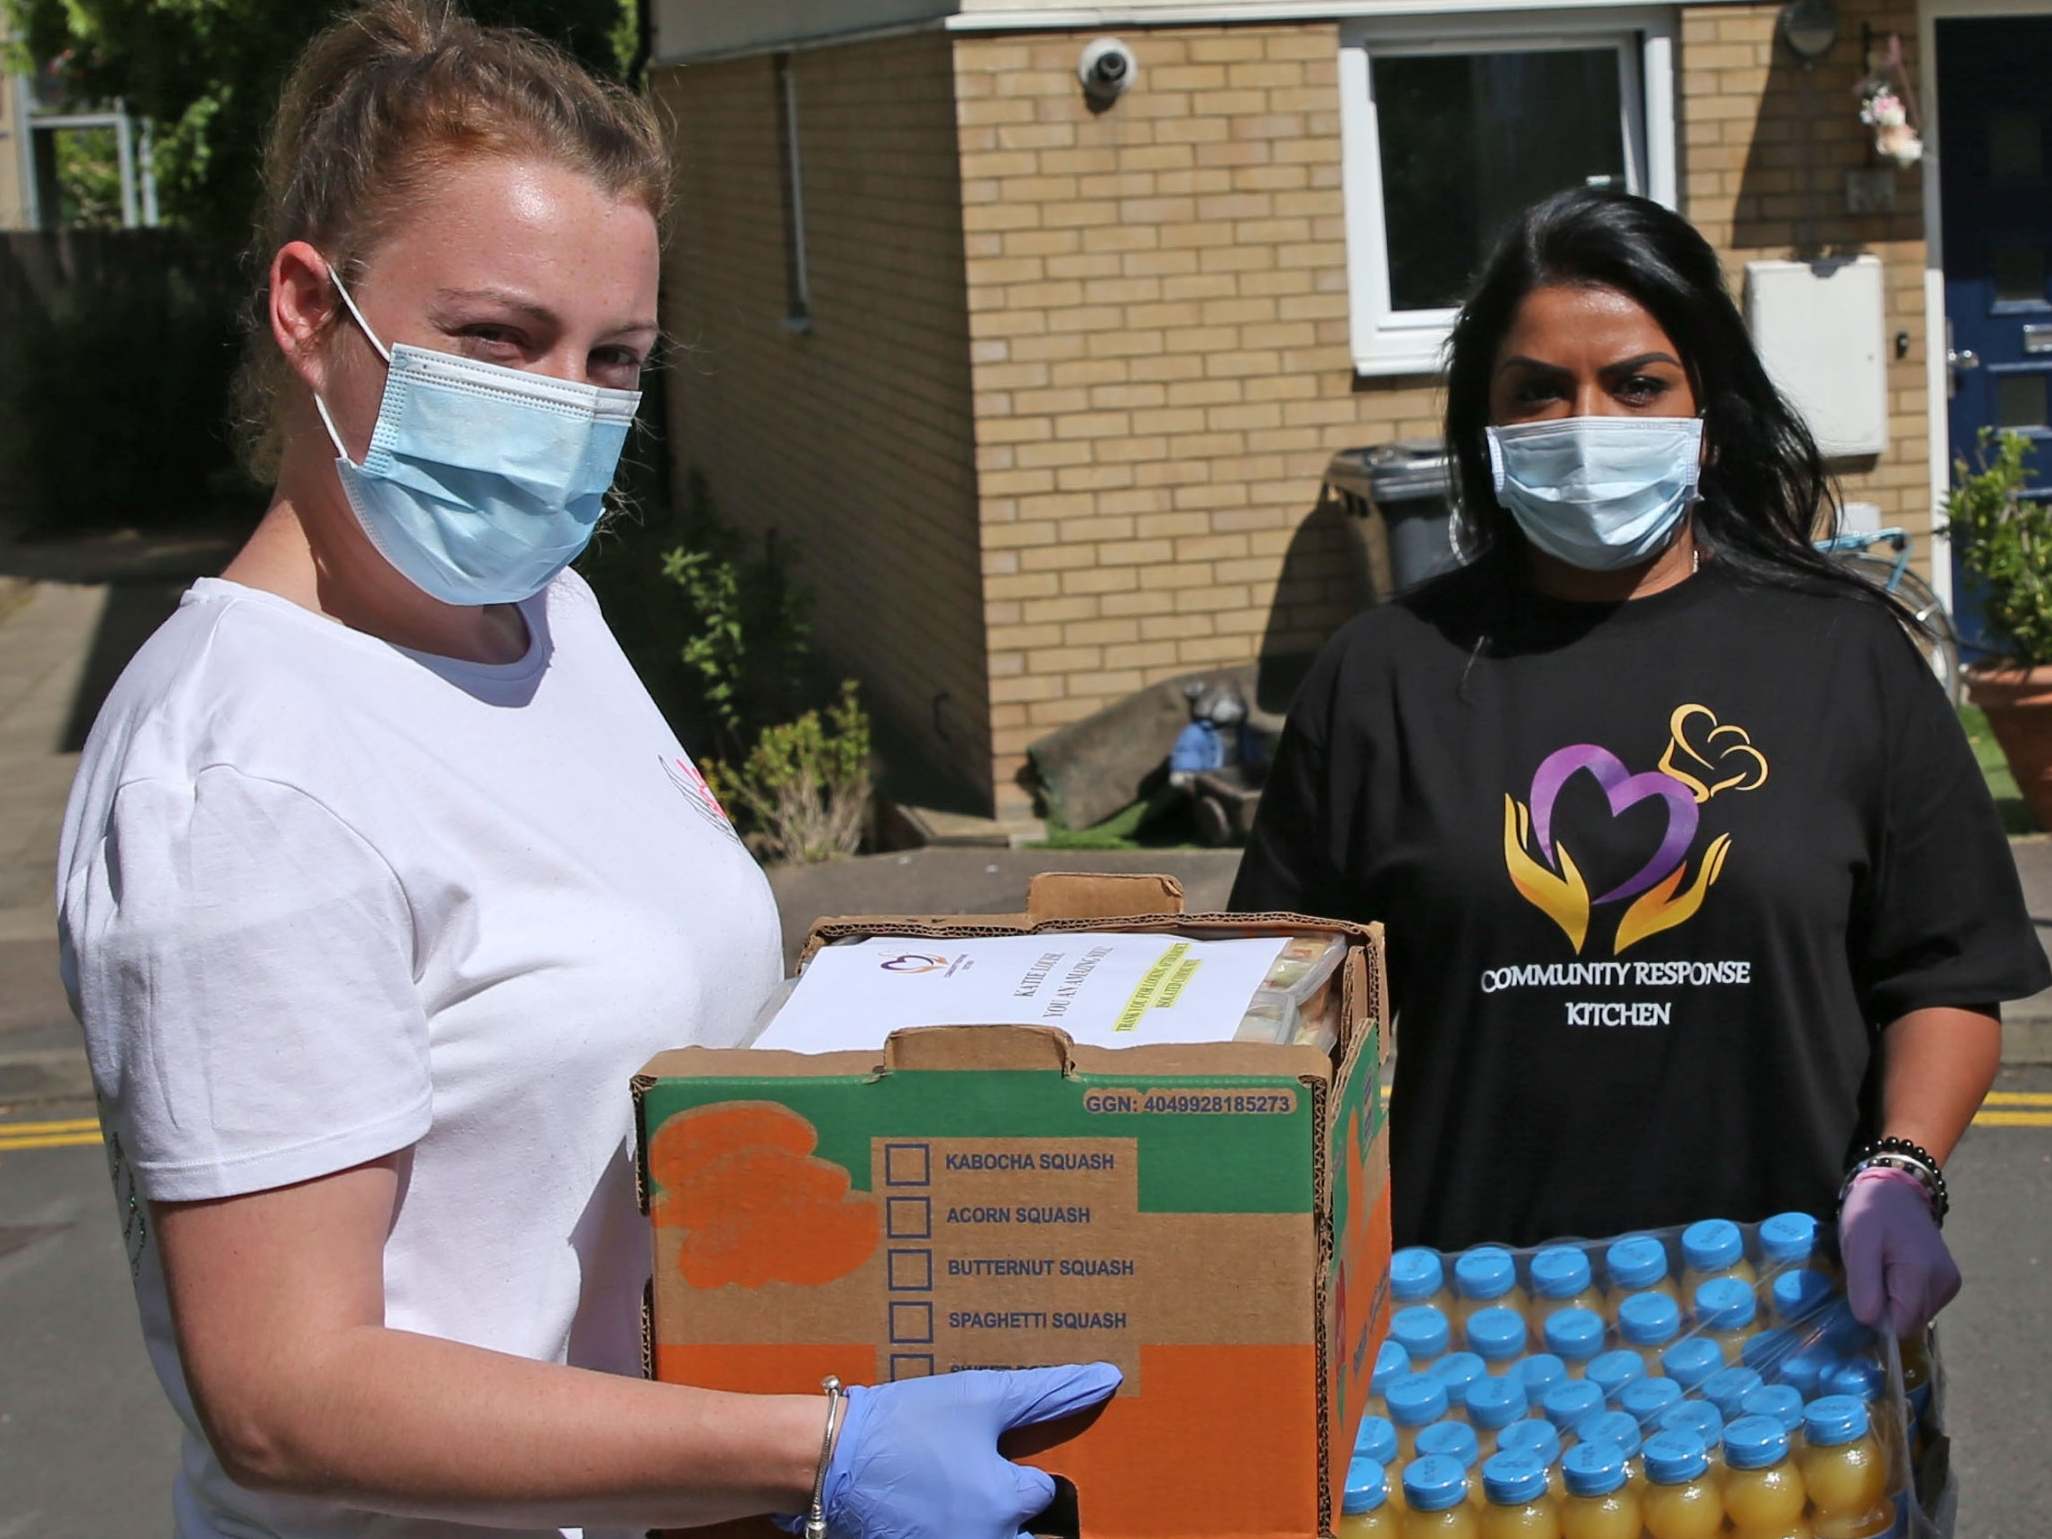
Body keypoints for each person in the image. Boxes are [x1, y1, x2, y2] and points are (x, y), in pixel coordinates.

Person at [55, 6, 1115, 1538]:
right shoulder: (244, 777)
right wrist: (821, 1446)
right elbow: (286, 1393)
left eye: (613, 356)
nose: (563, 405)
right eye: (497, 337)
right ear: (308, 308)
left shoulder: (546, 617)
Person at [1231, 187, 2047, 1338]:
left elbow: (1946, 979)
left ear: (1706, 412)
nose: (1590, 421)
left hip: (1801, 1321)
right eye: (1539, 391)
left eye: (1637, 383)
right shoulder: (1388, 677)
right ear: (1486, 423)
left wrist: (1901, 1174)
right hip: (1464, 1338)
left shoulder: (1844, 655)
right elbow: (1284, 1019)